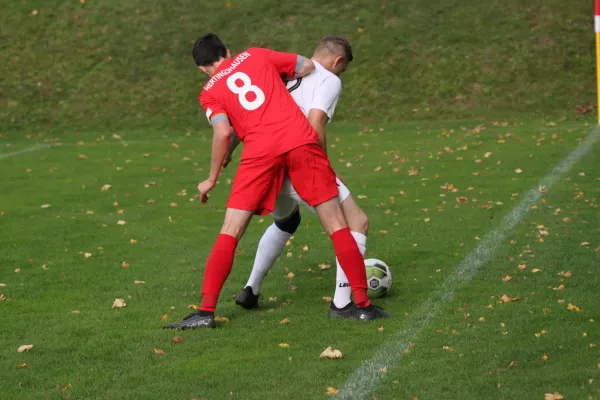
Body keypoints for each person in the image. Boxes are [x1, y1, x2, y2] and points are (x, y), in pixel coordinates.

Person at [165, 34, 389, 330]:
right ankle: (361, 305)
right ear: (228, 51)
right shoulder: (255, 55)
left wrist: (212, 178)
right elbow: (306, 65)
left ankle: (205, 312)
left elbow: (222, 134)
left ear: (202, 68)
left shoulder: (209, 91)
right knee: (337, 224)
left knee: (231, 230)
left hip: (259, 152)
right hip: (299, 141)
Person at [227, 36, 369, 319]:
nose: (340, 75)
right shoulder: (328, 79)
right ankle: (342, 304)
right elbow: (315, 124)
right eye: (342, 69)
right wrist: (324, 166)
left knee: (286, 220)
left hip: (266, 163)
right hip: (299, 161)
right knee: (357, 222)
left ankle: (250, 289)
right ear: (338, 61)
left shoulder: (284, 72)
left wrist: (227, 154)